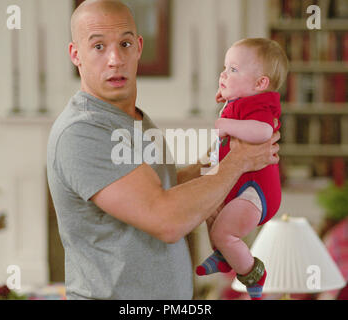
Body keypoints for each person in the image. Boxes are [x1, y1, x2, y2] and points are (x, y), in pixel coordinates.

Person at [46, 0, 280, 300]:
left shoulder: (133, 118)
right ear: (75, 55)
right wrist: (237, 162)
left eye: (125, 43)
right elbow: (165, 219)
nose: (115, 58)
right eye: (99, 47)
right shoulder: (82, 131)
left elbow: (158, 191)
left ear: (139, 48)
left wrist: (216, 160)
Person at [195, 38, 289, 300]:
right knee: (210, 211)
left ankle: (252, 272)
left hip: (255, 192)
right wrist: (228, 99)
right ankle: (226, 258)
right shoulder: (241, 103)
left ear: (260, 84)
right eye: (225, 68)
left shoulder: (260, 104)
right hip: (239, 186)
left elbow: (263, 130)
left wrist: (225, 124)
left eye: (233, 70)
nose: (223, 74)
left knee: (225, 232)